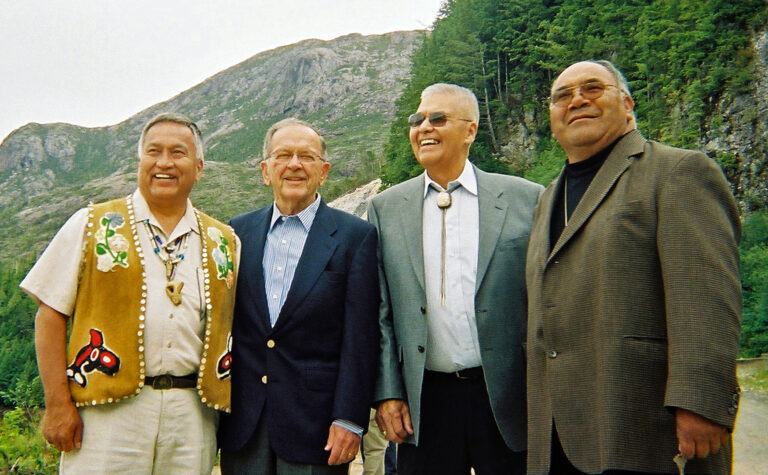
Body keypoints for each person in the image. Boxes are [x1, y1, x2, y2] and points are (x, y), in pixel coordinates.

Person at [525, 60, 742, 474]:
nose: (577, 100)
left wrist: (701, 402)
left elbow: (706, 300)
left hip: (645, 425)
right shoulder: (548, 197)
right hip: (560, 433)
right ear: (552, 118)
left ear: (626, 104)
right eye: (562, 95)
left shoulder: (678, 172)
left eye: (593, 88)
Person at [22, 112, 239, 474]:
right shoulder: (92, 224)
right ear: (140, 161)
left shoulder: (225, 242)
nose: (164, 162)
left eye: (178, 153)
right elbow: (50, 314)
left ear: (199, 167)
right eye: (154, 151)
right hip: (107, 416)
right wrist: (58, 404)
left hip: (191, 418)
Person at [367, 83, 543, 474]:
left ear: (470, 130)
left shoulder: (527, 198)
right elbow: (380, 312)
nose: (424, 127)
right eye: (418, 120)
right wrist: (388, 392)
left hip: (507, 396)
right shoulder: (385, 209)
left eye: (438, 119)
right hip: (425, 400)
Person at [218, 118, 380, 474]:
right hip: (245, 425)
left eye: (306, 156)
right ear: (266, 170)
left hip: (318, 425)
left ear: (323, 172)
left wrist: (350, 419)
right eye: (283, 156)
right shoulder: (235, 232)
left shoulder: (355, 237)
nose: (294, 164)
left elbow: (361, 338)